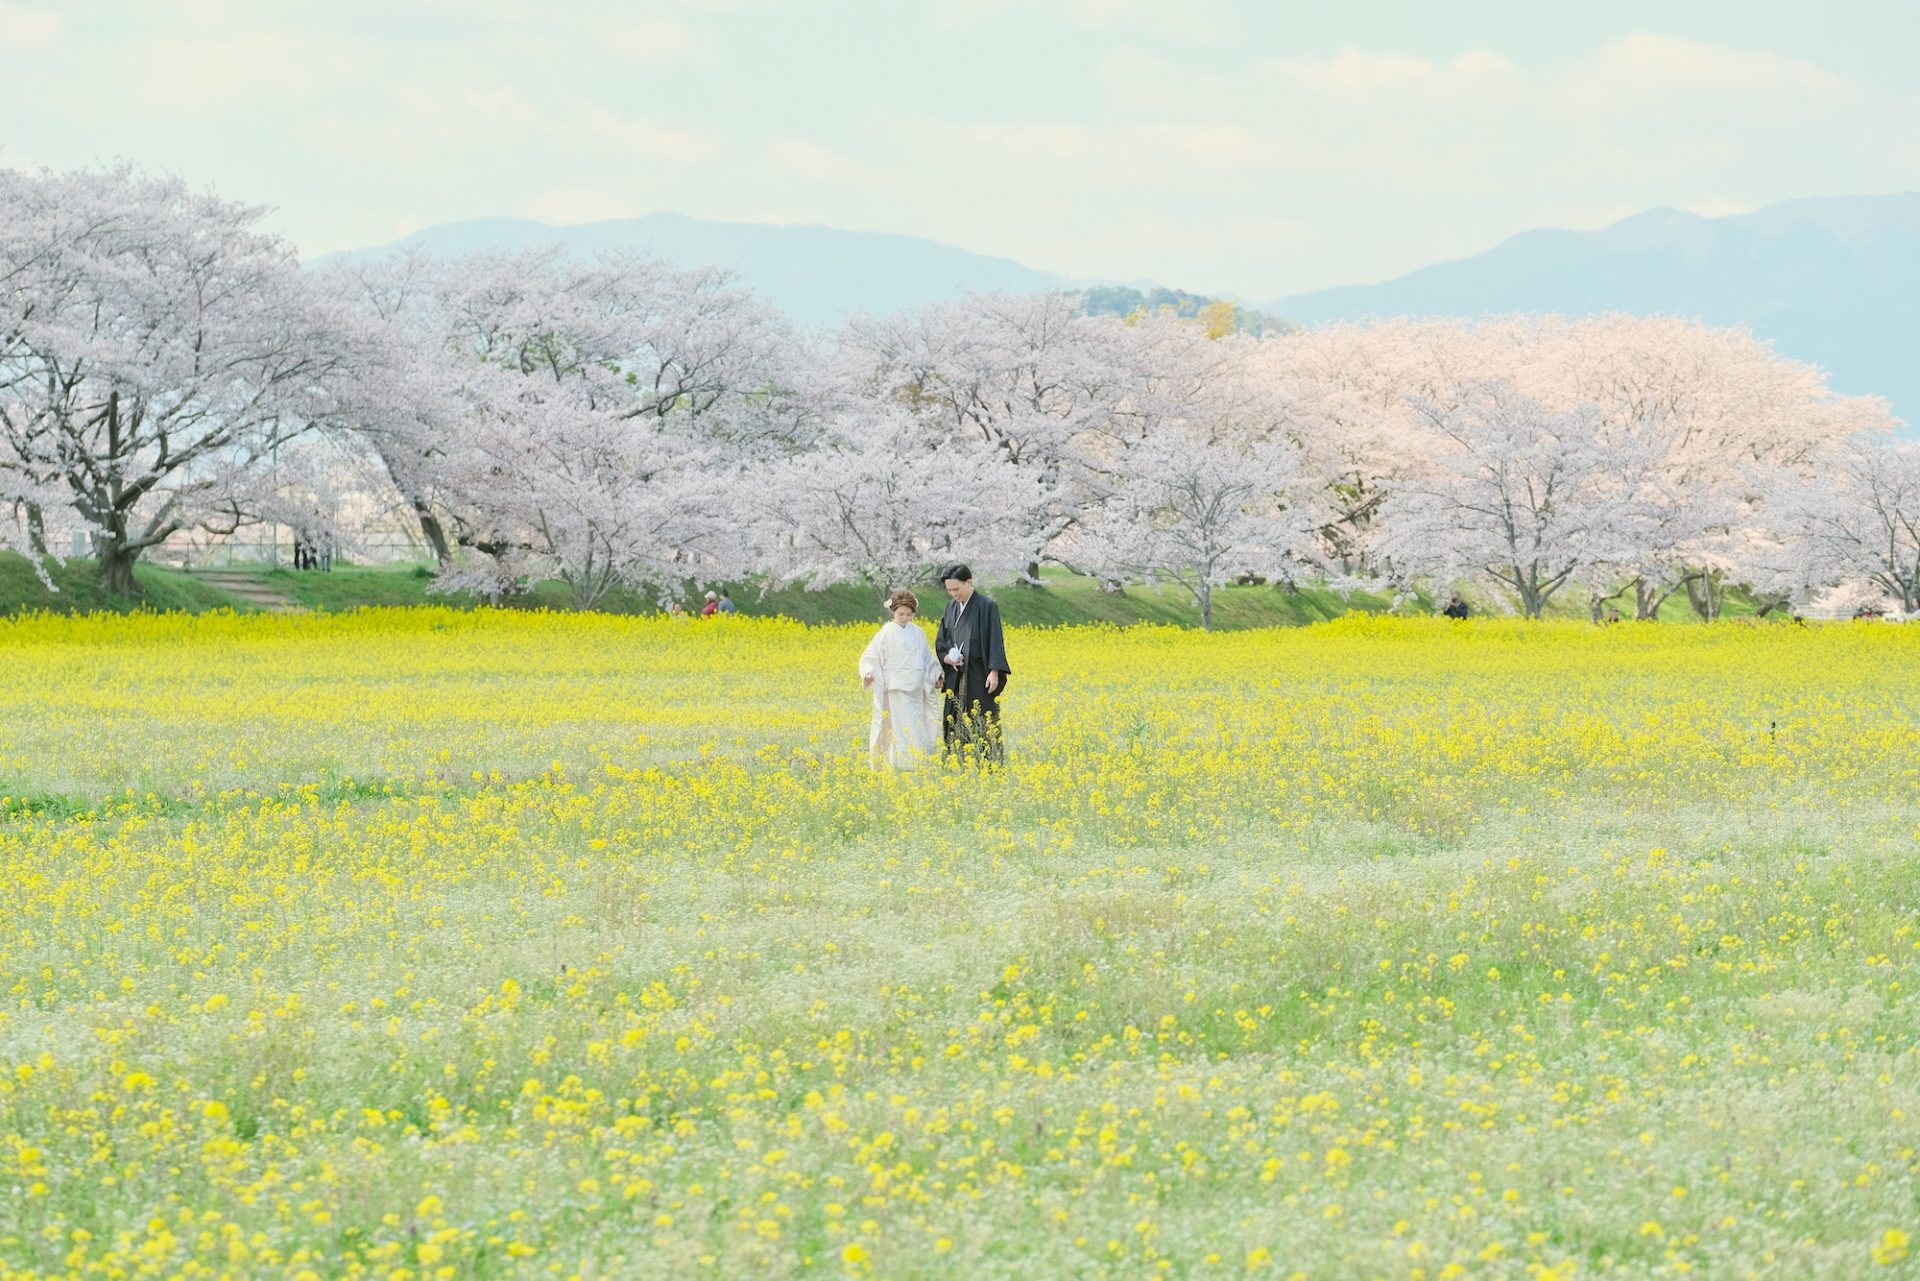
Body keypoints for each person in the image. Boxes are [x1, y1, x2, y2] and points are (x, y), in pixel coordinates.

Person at [933, 563, 1011, 764]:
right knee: (955, 719)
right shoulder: (950, 608)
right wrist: (947, 658)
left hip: (979, 674)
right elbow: (942, 640)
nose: (953, 594)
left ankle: (989, 765)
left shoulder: (986, 606)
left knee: (983, 720)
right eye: (949, 590)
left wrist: (994, 671)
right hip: (956, 675)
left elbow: (995, 639)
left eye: (956, 589)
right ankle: (957, 764)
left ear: (969, 582)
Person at [859, 588, 942, 769]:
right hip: (895, 689)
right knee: (896, 728)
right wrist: (868, 671)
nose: (904, 617)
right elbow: (872, 655)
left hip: (915, 690)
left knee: (914, 725)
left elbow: (927, 657)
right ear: (893, 612)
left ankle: (916, 762)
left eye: (908, 614)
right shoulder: (886, 632)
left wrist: (937, 674)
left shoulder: (918, 632)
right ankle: (896, 763)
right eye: (901, 614)